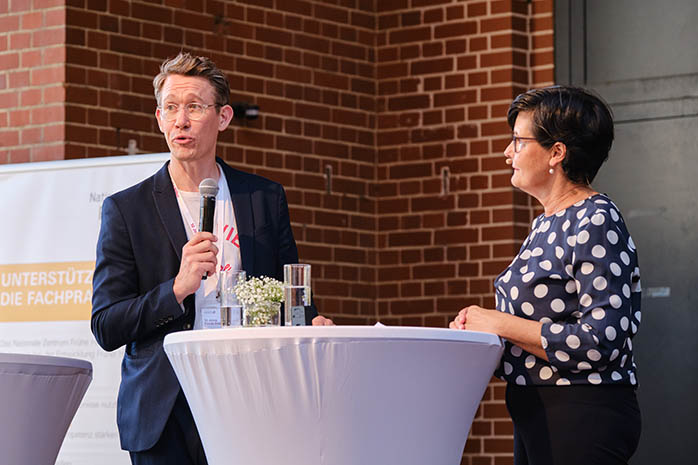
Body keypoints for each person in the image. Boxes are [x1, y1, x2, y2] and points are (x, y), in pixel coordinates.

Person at [91, 52, 333, 465]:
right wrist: (177, 288)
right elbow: (106, 325)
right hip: (165, 410)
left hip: (251, 398)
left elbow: (294, 296)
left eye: (194, 107)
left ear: (222, 117)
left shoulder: (262, 199)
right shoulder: (127, 210)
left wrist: (313, 322)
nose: (181, 120)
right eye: (171, 108)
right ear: (159, 118)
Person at [449, 86, 641, 464]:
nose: (508, 153)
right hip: (539, 414)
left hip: (580, 414)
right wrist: (478, 333)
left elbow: (600, 341)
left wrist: (498, 322)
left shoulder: (596, 218)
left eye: (518, 142)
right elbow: (536, 336)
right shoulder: (546, 223)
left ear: (557, 152)